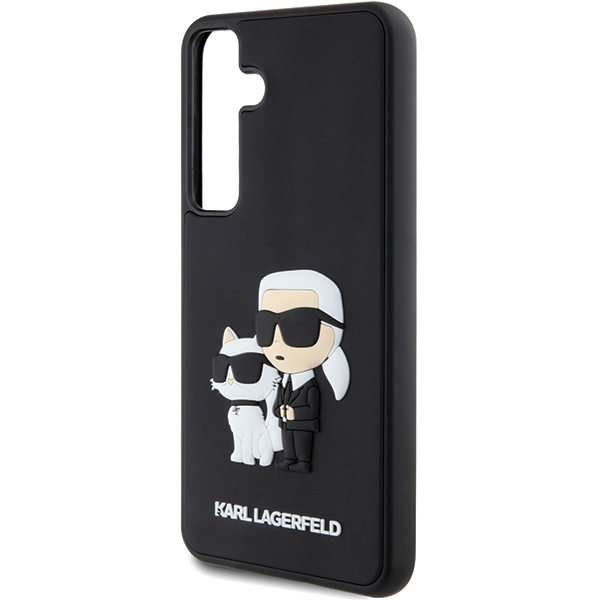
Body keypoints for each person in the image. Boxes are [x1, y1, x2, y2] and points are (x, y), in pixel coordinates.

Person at [256, 270, 350, 473]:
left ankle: (303, 462)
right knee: (288, 442)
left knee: (301, 443)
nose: (278, 339)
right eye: (266, 325)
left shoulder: (310, 387)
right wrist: (279, 411)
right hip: (286, 424)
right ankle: (289, 459)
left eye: (299, 327)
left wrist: (294, 413)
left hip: (303, 426)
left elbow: (312, 409)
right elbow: (277, 404)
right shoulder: (284, 382)